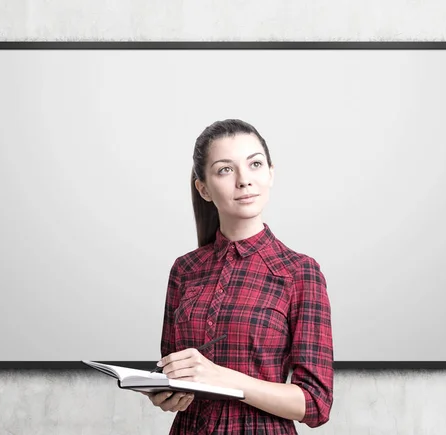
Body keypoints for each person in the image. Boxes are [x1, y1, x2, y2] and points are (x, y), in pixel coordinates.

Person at [141, 119, 334, 434]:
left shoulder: (299, 271)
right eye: (225, 170)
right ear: (203, 188)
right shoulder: (184, 270)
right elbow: (173, 370)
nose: (244, 180)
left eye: (255, 164)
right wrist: (166, 393)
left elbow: (315, 403)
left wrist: (221, 377)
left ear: (271, 174)